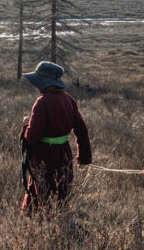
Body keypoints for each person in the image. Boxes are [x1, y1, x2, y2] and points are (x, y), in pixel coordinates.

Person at [21, 61, 91, 212]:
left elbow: (32, 137)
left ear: (43, 82)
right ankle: (51, 224)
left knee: (42, 196)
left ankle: (44, 229)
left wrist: (26, 125)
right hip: (64, 155)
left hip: (44, 158)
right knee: (60, 194)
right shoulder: (68, 99)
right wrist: (84, 157)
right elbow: (81, 130)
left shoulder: (42, 102)